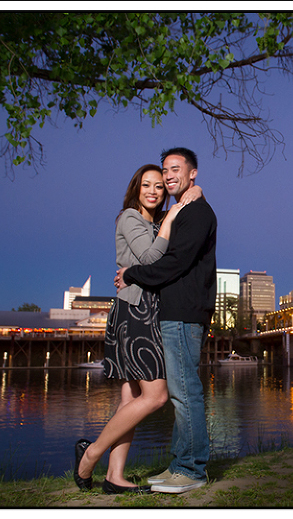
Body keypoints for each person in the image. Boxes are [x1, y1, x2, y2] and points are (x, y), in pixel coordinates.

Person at [74, 162, 201, 494]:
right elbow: (148, 259)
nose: (154, 192)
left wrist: (194, 193)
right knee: (156, 396)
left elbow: (186, 202)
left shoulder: (154, 221)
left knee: (129, 399)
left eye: (160, 186)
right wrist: (171, 220)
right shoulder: (130, 217)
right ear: (136, 187)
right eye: (147, 185)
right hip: (136, 312)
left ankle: (114, 477)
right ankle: (91, 455)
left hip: (147, 311)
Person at [116, 147, 217, 496]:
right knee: (179, 393)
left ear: (193, 173)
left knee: (186, 392)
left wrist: (133, 274)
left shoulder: (196, 214)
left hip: (185, 314)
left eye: (176, 169)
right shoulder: (183, 211)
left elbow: (174, 263)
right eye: (165, 170)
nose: (169, 175)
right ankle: (179, 465)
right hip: (173, 314)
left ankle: (191, 469)